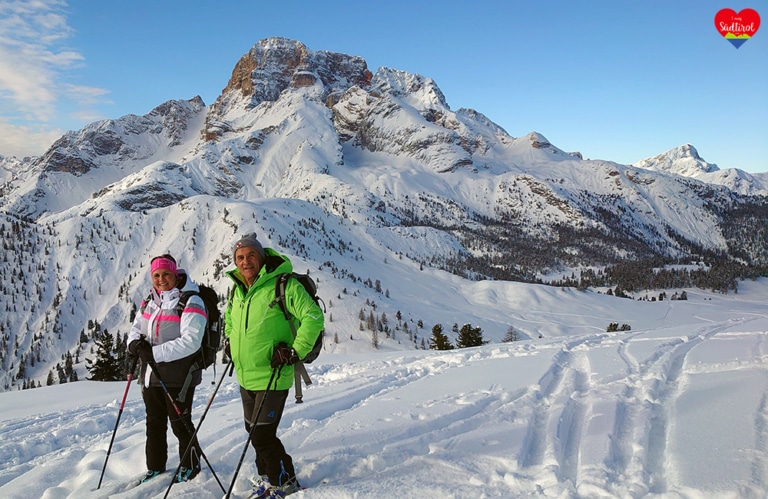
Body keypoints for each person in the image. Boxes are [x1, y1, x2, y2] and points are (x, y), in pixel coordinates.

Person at [225, 233, 324, 498]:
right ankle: (269, 478)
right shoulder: (237, 289)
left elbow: (313, 317)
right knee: (253, 431)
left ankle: (285, 482)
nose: (246, 261)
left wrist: (294, 351)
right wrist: (230, 343)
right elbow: (230, 321)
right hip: (246, 375)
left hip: (275, 373)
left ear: (262, 256)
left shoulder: (284, 285)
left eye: (251, 255)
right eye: (240, 257)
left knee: (261, 435)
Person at [127, 254, 206, 484]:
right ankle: (155, 467)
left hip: (179, 376)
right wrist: (135, 344)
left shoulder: (191, 301)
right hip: (151, 375)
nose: (161, 279)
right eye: (156, 275)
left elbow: (192, 341)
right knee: (154, 423)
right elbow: (136, 328)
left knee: (180, 423)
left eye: (166, 274)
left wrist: (153, 353)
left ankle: (191, 465)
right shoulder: (150, 301)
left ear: (175, 274)